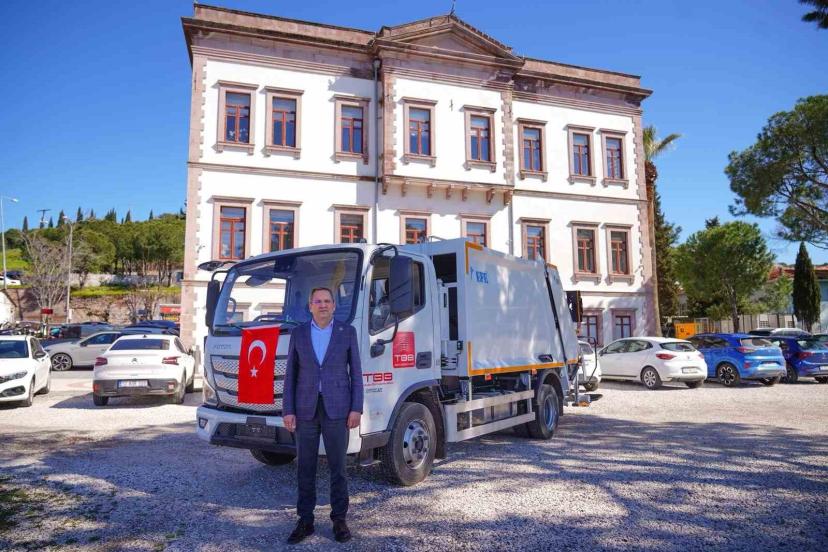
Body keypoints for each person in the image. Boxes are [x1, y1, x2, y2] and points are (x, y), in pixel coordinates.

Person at [282, 287, 363, 544]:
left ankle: (339, 520)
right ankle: (305, 521)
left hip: (338, 409)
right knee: (305, 468)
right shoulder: (299, 333)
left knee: (338, 467)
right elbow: (290, 374)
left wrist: (356, 407)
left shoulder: (347, 332)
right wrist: (288, 410)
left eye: (327, 301)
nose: (323, 305)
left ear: (334, 306)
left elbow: (356, 373)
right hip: (305, 408)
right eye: (318, 301)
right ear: (310, 306)